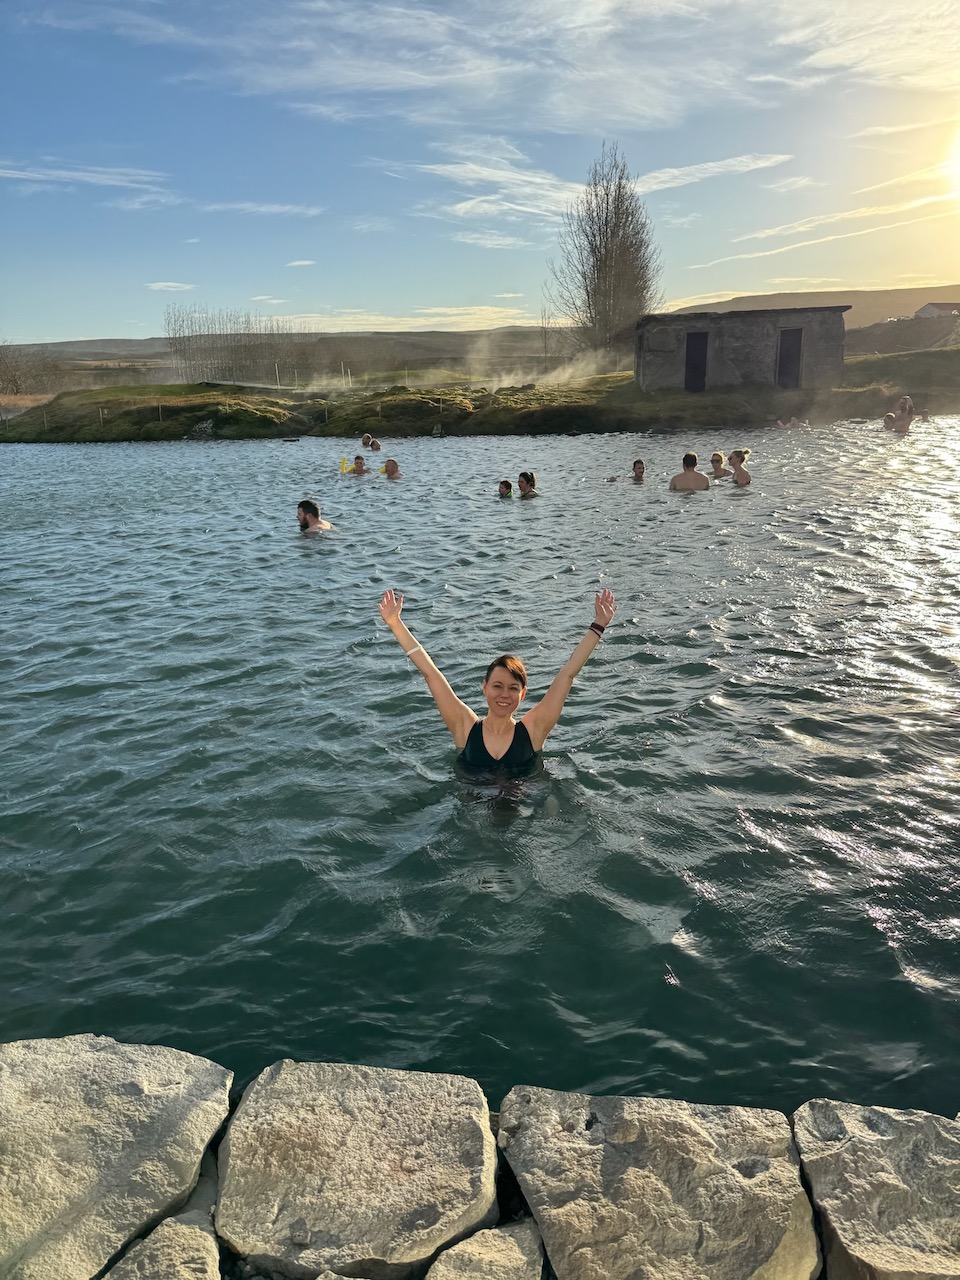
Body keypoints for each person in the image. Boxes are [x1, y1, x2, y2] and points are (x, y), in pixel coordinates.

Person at [377, 587, 617, 776]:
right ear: (484, 688)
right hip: (474, 813)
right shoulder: (465, 726)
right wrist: (395, 624)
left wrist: (598, 626)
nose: (505, 694)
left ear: (523, 694)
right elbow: (431, 673)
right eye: (497, 686)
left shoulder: (534, 729)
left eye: (513, 688)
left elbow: (567, 675)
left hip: (522, 813)